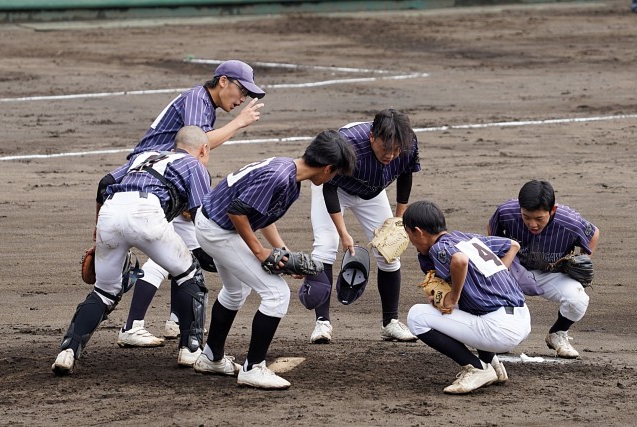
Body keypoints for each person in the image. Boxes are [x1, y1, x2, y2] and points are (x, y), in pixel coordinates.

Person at [97, 59, 266, 349]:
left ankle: (174, 320)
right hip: (154, 182)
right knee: (174, 252)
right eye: (242, 91)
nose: (243, 99)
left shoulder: (202, 102)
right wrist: (239, 123)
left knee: (182, 249)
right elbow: (201, 142)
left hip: (161, 182)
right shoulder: (197, 100)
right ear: (223, 81)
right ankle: (135, 325)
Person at [193, 130, 356, 389]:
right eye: (335, 173)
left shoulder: (290, 176)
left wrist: (283, 253)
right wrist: (260, 252)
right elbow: (237, 212)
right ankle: (253, 368)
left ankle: (211, 357)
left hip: (214, 223)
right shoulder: (280, 177)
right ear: (327, 168)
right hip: (219, 230)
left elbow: (262, 217)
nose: (333, 178)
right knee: (276, 293)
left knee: (236, 290)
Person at [52, 126, 213, 375]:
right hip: (146, 213)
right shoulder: (195, 165)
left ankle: (67, 351)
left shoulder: (145, 156)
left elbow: (105, 183)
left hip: (110, 212)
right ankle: (190, 349)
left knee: (105, 291)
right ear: (204, 149)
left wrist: (98, 232)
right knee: (189, 274)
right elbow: (202, 216)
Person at [305, 108, 421, 344]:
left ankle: (390, 323)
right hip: (334, 189)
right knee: (327, 245)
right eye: (386, 149)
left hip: (372, 193)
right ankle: (322, 323)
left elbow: (406, 174)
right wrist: (344, 233)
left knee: (389, 252)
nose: (391, 155)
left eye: (396, 150)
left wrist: (398, 220)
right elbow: (328, 187)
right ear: (372, 138)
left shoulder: (406, 142)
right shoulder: (348, 145)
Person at [404, 200, 531, 394]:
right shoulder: (467, 239)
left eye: (409, 233)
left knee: (416, 316)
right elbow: (513, 245)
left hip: (499, 329)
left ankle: (477, 368)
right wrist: (492, 277)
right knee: (466, 301)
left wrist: (453, 298)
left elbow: (459, 260)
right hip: (521, 319)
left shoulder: (439, 248)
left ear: (419, 232)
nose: (409, 240)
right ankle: (492, 364)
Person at [488, 180, 600, 359]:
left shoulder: (569, 221)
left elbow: (593, 233)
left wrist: (584, 258)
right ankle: (500, 339)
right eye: (526, 217)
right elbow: (492, 233)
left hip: (552, 273)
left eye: (539, 218)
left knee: (577, 299)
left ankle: (557, 334)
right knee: (488, 291)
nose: (532, 224)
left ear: (552, 210)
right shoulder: (506, 212)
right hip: (515, 270)